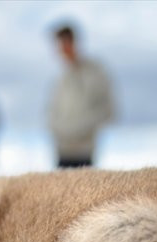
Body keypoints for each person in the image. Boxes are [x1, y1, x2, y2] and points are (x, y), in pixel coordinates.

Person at [47, 23, 114, 168]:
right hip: (62, 152)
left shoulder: (95, 72)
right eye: (58, 45)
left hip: (84, 152)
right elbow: (51, 113)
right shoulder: (61, 79)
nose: (61, 49)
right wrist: (59, 131)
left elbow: (108, 110)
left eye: (64, 43)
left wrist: (77, 130)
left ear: (73, 42)